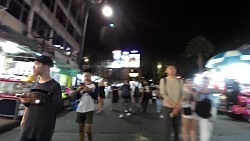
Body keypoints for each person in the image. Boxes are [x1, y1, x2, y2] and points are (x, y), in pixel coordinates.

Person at [19, 55, 62, 141]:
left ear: (46, 67)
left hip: (43, 130)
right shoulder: (34, 84)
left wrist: (37, 101)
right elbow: (30, 104)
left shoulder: (54, 86)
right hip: (28, 127)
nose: (33, 66)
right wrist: (25, 102)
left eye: (37, 63)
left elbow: (57, 107)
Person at [159, 65, 183, 141]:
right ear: (166, 71)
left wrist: (177, 106)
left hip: (178, 108)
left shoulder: (180, 81)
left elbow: (182, 94)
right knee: (167, 129)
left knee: (177, 129)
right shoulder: (163, 80)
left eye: (174, 68)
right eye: (170, 68)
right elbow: (163, 94)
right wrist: (174, 106)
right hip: (167, 107)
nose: (172, 69)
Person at [195, 76, 219, 141]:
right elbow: (202, 91)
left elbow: (219, 90)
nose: (206, 82)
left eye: (207, 80)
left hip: (212, 108)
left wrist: (213, 89)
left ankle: (207, 139)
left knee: (209, 127)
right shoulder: (199, 88)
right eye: (204, 80)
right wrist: (211, 90)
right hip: (203, 109)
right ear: (202, 81)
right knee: (203, 127)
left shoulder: (211, 88)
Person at [75, 69, 97, 141]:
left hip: (89, 109)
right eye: (85, 76)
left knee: (88, 129)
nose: (86, 77)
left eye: (88, 76)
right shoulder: (81, 85)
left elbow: (95, 97)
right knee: (81, 129)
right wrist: (78, 91)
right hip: (80, 109)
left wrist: (88, 90)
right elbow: (77, 98)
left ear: (91, 76)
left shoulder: (94, 85)